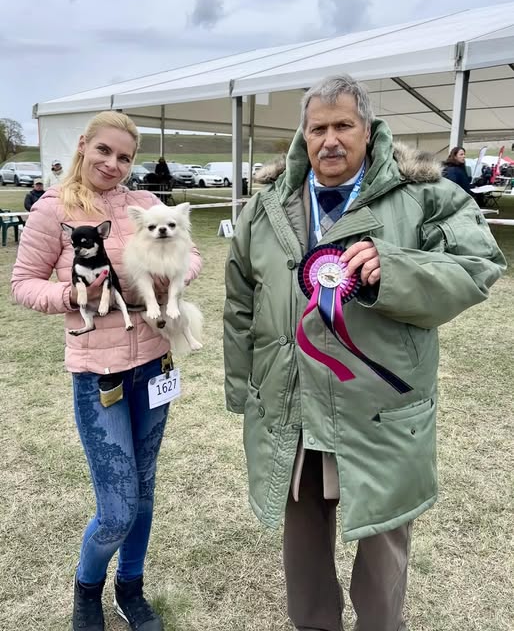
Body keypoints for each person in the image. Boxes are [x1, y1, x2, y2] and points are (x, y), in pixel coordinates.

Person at [223, 74, 505, 631]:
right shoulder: (266, 208)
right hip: (292, 404)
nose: (330, 140)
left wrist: (394, 269)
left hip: (379, 409)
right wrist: (243, 391)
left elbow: (478, 266)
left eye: (343, 126)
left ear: (368, 130)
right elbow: (240, 303)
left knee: (383, 546)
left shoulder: (426, 196)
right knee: (302, 536)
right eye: (318, 129)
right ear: (304, 136)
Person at [11, 111, 202, 631]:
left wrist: (174, 275)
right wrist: (74, 294)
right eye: (104, 151)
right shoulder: (53, 208)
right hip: (100, 373)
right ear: (83, 145)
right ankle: (87, 588)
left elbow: (192, 254)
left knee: (143, 491)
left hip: (154, 364)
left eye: (124, 157)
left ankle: (130, 589)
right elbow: (23, 282)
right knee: (117, 508)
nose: (113, 164)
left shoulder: (144, 203)